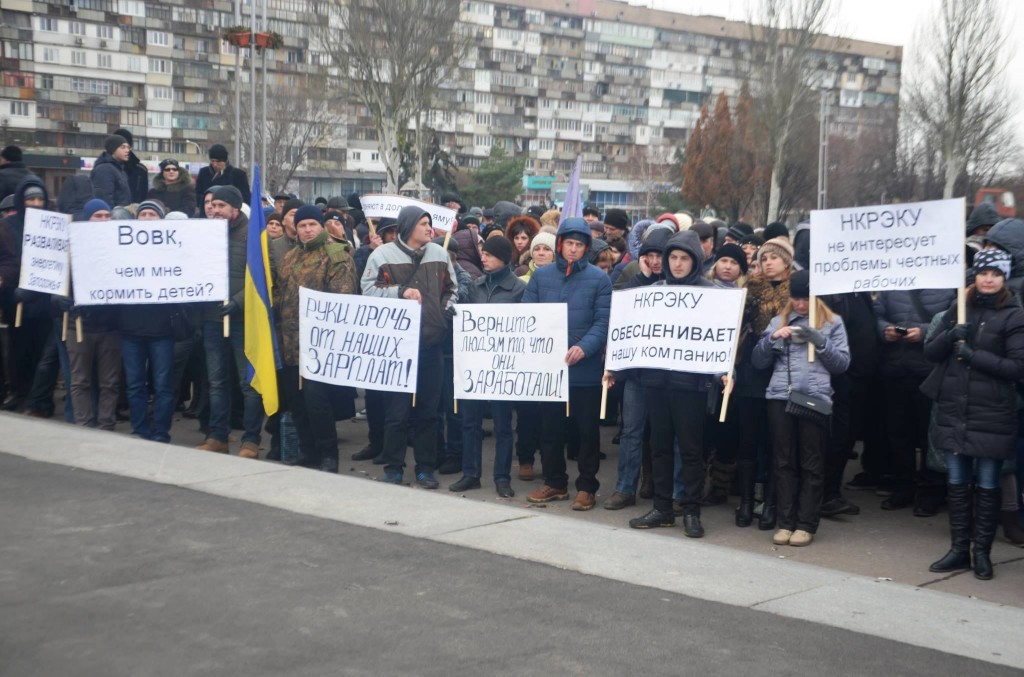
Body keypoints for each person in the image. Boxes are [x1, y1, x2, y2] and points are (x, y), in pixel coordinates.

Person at [924, 249, 1024, 580]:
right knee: (956, 482)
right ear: (975, 276)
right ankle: (958, 550)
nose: (989, 278)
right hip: (955, 409)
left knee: (987, 483)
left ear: (1004, 277)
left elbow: (1017, 368)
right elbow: (931, 352)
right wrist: (951, 334)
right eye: (983, 273)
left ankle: (982, 552)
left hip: (992, 413)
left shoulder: (1014, 315)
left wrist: (973, 354)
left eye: (995, 273)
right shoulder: (959, 307)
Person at [616, 230, 716, 536]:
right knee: (658, 446)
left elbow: (718, 338)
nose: (677, 263)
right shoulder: (654, 291)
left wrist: (722, 370)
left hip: (691, 385)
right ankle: (662, 508)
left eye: (684, 258)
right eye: (673, 257)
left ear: (695, 261)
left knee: (690, 450)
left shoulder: (709, 294)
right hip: (656, 381)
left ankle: (690, 510)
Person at [752, 270, 850, 547]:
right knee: (783, 461)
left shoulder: (833, 323)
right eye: (795, 299)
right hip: (780, 396)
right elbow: (757, 362)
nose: (800, 305)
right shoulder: (777, 321)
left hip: (815, 398)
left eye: (805, 299)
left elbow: (842, 364)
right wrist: (773, 340)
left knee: (812, 462)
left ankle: (806, 523)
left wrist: (819, 341)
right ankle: (785, 521)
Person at [361, 205, 457, 488]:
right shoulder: (381, 256)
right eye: (424, 224)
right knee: (397, 413)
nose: (430, 229)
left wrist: (442, 312)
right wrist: (400, 293)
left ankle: (426, 468)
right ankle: (394, 466)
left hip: (430, 346)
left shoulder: (440, 254)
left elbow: (452, 289)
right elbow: (367, 291)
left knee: (428, 412)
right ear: (408, 227)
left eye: (430, 224)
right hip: (396, 349)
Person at [523, 217, 611, 511]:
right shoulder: (541, 277)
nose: (573, 249)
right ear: (559, 244)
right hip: (550, 368)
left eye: (579, 245)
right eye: (569, 243)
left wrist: (583, 348)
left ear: (587, 248)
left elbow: (603, 321)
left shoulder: (600, 279)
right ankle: (555, 482)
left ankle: (587, 487)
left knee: (586, 431)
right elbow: (528, 317)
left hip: (584, 370)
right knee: (550, 429)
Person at [275, 205, 357, 472]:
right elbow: (280, 292)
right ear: (295, 229)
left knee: (317, 403)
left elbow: (342, 299)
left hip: (319, 345)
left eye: (312, 224)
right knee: (296, 403)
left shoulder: (335, 254)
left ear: (321, 226)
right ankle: (308, 451)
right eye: (302, 225)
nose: (307, 230)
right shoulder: (290, 257)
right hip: (289, 343)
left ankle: (328, 455)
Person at [449, 236, 526, 497]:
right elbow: (466, 318)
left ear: (504, 258)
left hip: (503, 367)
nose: (483, 258)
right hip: (475, 365)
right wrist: (454, 312)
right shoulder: (475, 286)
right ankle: (470, 474)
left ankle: (502, 478)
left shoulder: (518, 289)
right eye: (483, 254)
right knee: (470, 422)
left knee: (504, 425)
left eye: (490, 255)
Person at [195, 185, 264, 458]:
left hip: (242, 319)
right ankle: (217, 436)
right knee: (216, 381)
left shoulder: (253, 236)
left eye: (222, 206)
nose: (215, 210)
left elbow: (261, 279)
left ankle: (250, 440)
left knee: (248, 384)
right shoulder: (204, 236)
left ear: (235, 208)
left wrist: (237, 302)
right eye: (212, 206)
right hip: (212, 319)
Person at [116, 206, 183, 443]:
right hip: (130, 329)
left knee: (163, 386)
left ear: (161, 220)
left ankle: (161, 432)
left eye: (152, 215)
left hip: (162, 330)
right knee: (135, 385)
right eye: (142, 214)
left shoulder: (172, 251)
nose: (146, 218)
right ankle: (140, 430)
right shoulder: (122, 251)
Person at [194, 144, 251, 211]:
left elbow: (246, 198)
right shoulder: (204, 173)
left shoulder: (238, 175)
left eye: (218, 161)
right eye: (212, 161)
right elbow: (197, 195)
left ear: (225, 160)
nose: (215, 165)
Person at [90, 134, 132, 208]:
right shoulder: (104, 169)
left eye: (128, 147)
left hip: (121, 215)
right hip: (112, 217)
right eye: (123, 147)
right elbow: (105, 199)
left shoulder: (119, 169)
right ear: (113, 149)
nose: (127, 150)